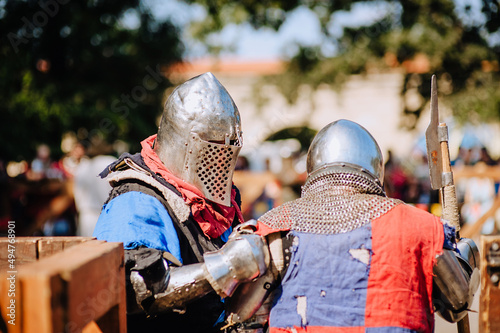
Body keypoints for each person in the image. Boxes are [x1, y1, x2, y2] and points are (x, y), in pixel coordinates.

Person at [225, 119, 480, 333]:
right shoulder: (419, 225)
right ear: (375, 170)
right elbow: (457, 303)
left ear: (313, 168)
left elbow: (240, 318)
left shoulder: (276, 225)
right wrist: (465, 253)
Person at [93, 73, 269, 333]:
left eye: (230, 146)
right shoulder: (136, 200)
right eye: (215, 146)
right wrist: (226, 265)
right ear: (185, 143)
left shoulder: (215, 203)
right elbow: (139, 291)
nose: (222, 159)